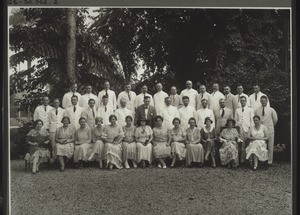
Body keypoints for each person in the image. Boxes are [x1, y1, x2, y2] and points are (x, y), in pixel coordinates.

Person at [255, 96, 278, 165]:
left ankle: (269, 162)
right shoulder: (257, 110)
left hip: (270, 129)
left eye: (264, 100)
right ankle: (261, 160)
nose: (263, 102)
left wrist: (270, 126)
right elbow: (256, 120)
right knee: (261, 145)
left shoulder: (271, 110)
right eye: (262, 100)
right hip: (261, 130)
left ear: (267, 101)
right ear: (260, 101)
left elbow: (275, 120)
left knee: (270, 146)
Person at [234, 96, 254, 164]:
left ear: (246, 101)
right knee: (241, 144)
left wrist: (251, 129)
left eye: (244, 100)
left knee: (248, 144)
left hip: (247, 128)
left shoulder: (250, 110)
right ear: (240, 101)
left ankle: (250, 160)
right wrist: (238, 126)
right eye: (241, 100)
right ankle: (242, 160)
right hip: (240, 129)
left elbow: (252, 121)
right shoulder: (237, 110)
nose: (242, 102)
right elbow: (235, 120)